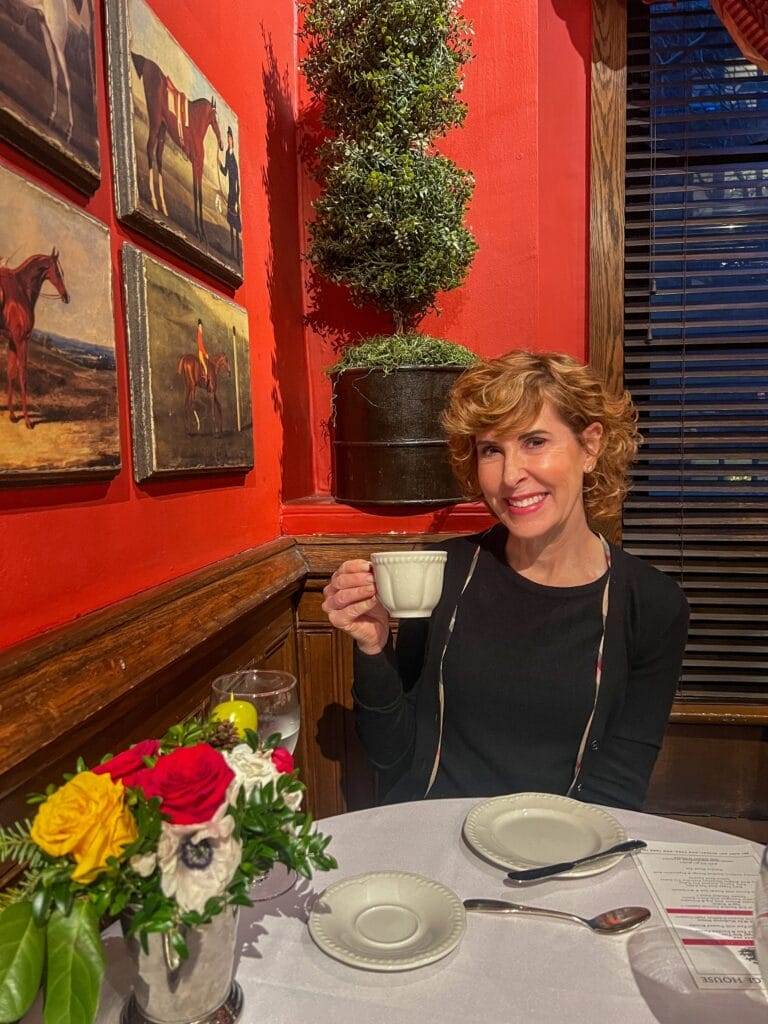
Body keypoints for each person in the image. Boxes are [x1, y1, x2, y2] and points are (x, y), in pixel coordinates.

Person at [322, 351, 689, 810]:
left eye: (535, 441)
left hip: (559, 851)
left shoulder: (651, 603)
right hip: (434, 834)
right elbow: (392, 755)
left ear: (590, 446)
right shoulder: (444, 572)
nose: (512, 476)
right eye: (491, 450)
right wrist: (373, 648)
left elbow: (619, 789)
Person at [219, 126, 241, 264]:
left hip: (235, 191)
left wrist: (238, 198)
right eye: (227, 138)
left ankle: (238, 253)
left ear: (232, 139)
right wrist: (220, 163)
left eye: (229, 138)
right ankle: (233, 252)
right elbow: (225, 172)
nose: (228, 140)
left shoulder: (234, 156)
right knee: (231, 222)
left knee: (236, 224)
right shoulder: (227, 153)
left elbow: (237, 178)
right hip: (230, 192)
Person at [196, 318, 210, 387]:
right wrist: (205, 354)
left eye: (201, 327)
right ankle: (206, 380)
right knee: (205, 366)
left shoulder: (200, 334)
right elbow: (200, 346)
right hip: (200, 352)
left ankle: (203, 376)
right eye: (200, 327)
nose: (201, 328)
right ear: (198, 327)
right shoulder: (199, 335)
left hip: (201, 351)